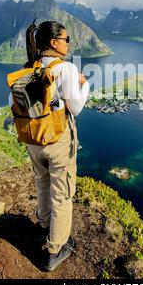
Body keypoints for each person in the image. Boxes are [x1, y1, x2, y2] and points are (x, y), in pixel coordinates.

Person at [8, 20, 89, 271]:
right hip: (57, 141)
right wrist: (84, 85)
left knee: (41, 181)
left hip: (33, 139)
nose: (68, 44)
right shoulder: (64, 68)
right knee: (63, 194)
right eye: (66, 40)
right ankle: (56, 248)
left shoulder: (27, 70)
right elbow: (75, 108)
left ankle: (43, 225)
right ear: (54, 43)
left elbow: (12, 101)